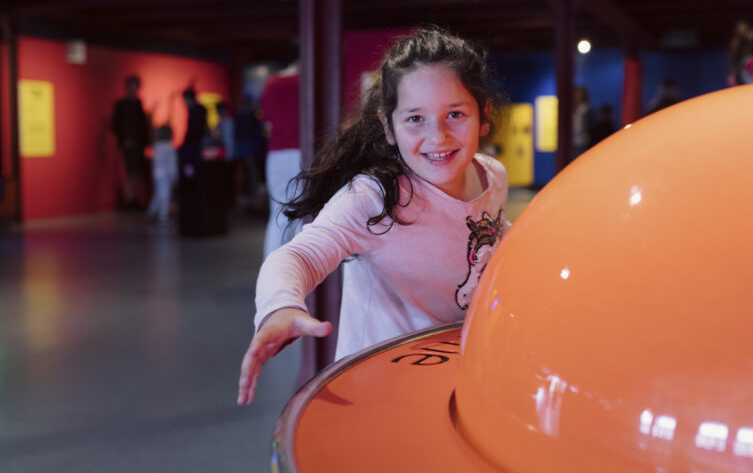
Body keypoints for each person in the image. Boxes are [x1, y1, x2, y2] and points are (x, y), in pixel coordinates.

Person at [237, 28, 509, 405]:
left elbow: (488, 231)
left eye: (456, 114)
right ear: (389, 127)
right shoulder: (377, 196)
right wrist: (280, 306)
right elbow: (297, 255)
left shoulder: (492, 176)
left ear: (484, 116)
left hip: (456, 373)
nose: (438, 136)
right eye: (416, 119)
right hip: (378, 386)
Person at [259, 64, 303, 257]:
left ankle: (271, 270)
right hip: (303, 151)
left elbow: (266, 121)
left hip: (276, 153)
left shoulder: (271, 83)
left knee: (277, 213)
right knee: (303, 212)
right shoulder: (305, 81)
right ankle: (303, 269)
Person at [111, 75, 149, 209]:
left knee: (137, 172)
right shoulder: (121, 105)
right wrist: (125, 140)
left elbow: (142, 125)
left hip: (138, 145)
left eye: (136, 86)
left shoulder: (138, 103)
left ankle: (133, 199)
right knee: (130, 172)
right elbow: (116, 125)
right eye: (132, 86)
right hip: (128, 145)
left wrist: (145, 142)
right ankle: (129, 201)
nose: (134, 89)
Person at [146, 124, 178, 224]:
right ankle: (162, 216)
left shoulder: (157, 148)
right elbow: (172, 164)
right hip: (165, 175)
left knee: (159, 195)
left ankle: (152, 212)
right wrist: (174, 175)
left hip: (159, 175)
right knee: (164, 195)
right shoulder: (169, 148)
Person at [572, 86, 594, 156]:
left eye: (579, 94)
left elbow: (591, 127)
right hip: (574, 142)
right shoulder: (573, 110)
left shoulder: (587, 110)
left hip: (584, 143)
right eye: (575, 94)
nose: (577, 96)